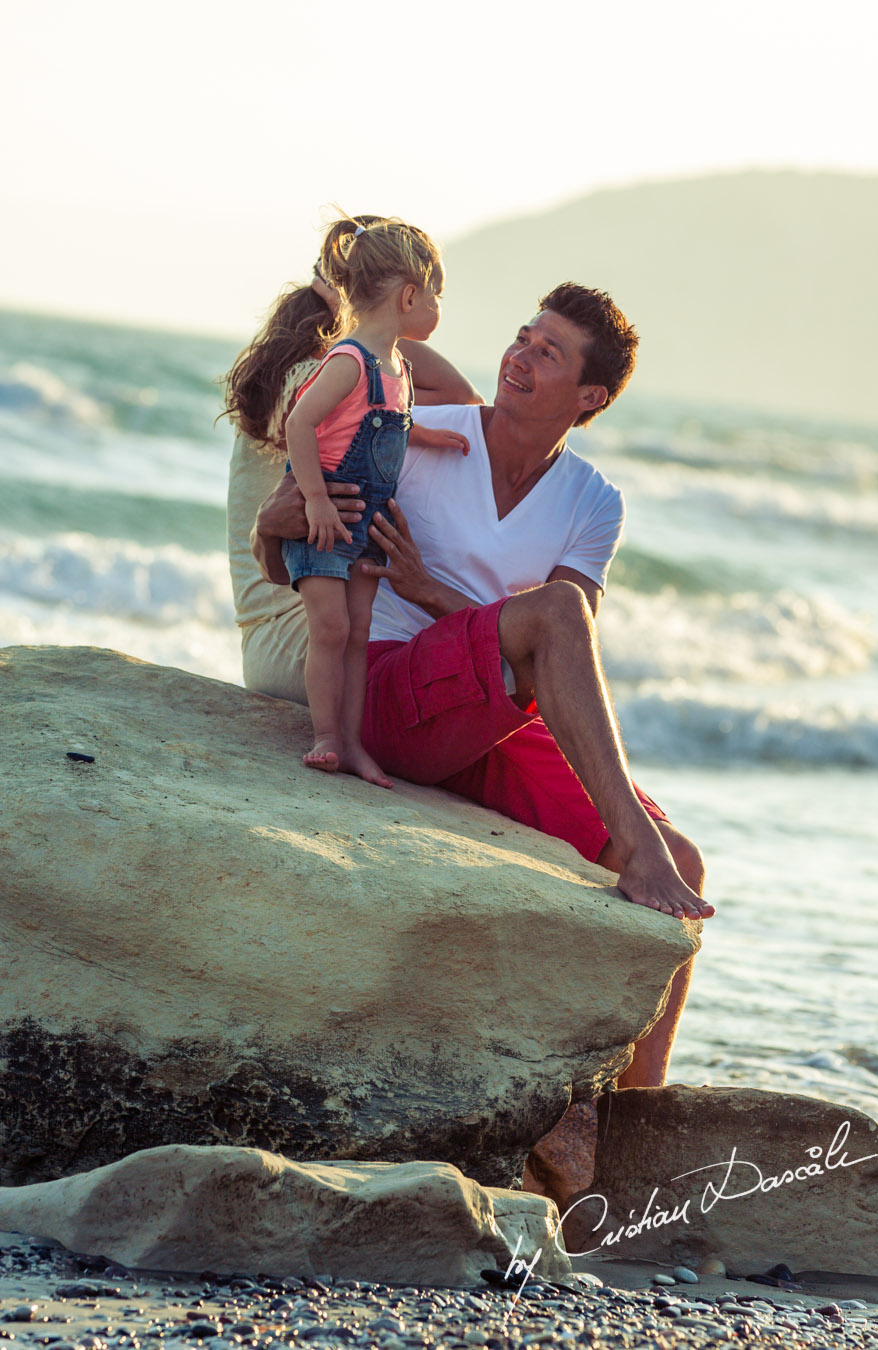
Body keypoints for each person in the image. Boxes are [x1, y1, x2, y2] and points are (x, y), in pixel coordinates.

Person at [250, 279, 714, 1091]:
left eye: (550, 352)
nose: (520, 356)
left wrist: (435, 593)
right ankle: (633, 846)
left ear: (591, 394)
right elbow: (289, 548)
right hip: (390, 693)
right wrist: (274, 526)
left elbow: (553, 655)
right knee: (560, 614)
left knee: (683, 858)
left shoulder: (592, 502)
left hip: (490, 715)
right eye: (523, 337)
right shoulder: (417, 436)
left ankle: (643, 1117)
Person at [223, 221, 482, 710]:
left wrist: (379, 327)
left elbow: (460, 400)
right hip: (286, 631)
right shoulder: (310, 376)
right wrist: (367, 322)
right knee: (447, 671)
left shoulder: (364, 370)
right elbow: (461, 393)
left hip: (320, 602)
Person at [278, 215, 467, 786]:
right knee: (331, 627)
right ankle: (327, 737)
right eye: (437, 295)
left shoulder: (399, 368)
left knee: (359, 632)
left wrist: (426, 435)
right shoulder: (350, 360)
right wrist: (314, 500)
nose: (438, 307)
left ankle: (355, 745)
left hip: (367, 520)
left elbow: (389, 424)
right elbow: (300, 424)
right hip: (326, 520)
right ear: (410, 296)